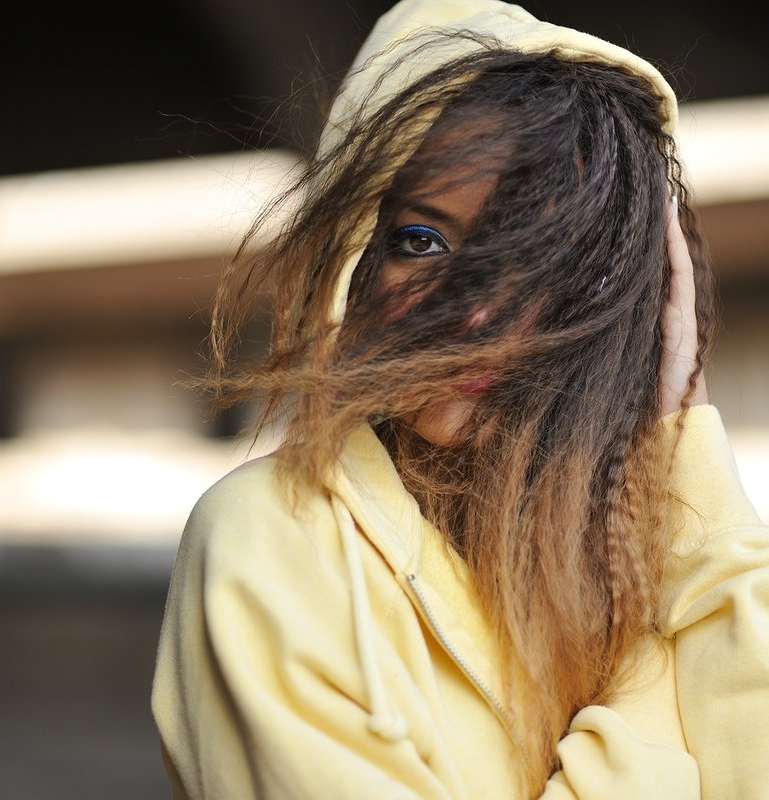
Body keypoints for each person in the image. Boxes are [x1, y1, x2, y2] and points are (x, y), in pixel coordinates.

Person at [152, 0, 769, 797]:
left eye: (542, 265)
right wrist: (655, 671)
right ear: (355, 253)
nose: (478, 315)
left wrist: (680, 433)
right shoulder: (267, 537)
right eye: (422, 241)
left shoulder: (619, 540)